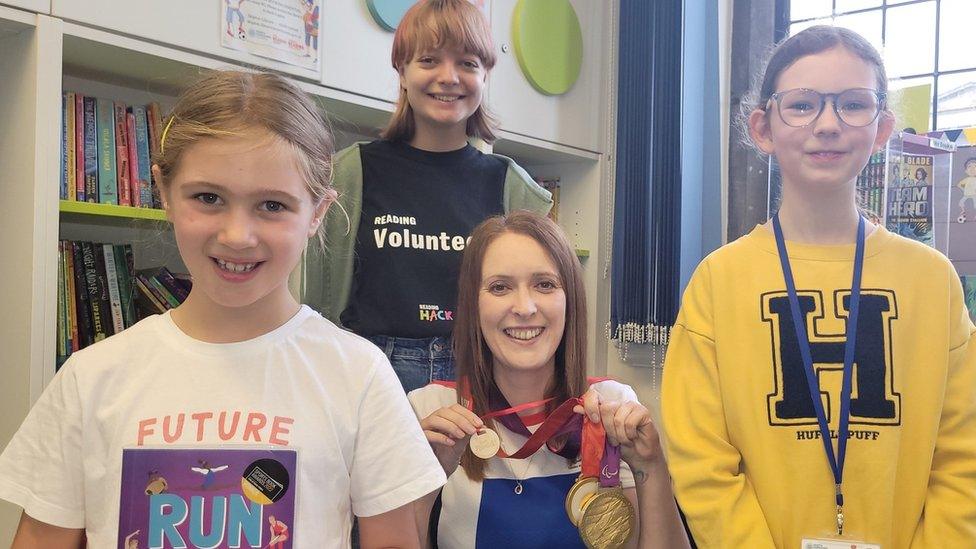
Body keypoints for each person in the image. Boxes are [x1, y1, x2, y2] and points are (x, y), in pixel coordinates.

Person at [0, 71, 445, 548]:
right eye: (208, 198)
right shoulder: (91, 379)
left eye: (272, 205)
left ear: (317, 213)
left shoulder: (360, 376)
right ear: (165, 193)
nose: (237, 235)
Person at [662, 26, 976, 548]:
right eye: (803, 105)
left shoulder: (932, 280)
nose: (827, 124)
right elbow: (701, 460)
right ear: (763, 128)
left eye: (853, 104)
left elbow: (964, 453)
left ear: (881, 129)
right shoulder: (719, 282)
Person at [304, 0, 552, 394]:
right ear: (402, 71)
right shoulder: (350, 173)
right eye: (429, 60)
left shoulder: (511, 186)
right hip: (370, 372)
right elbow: (313, 305)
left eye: (468, 63)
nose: (448, 77)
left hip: (480, 374)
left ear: (485, 74)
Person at [409, 211, 691, 548]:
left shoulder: (613, 405)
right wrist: (427, 480)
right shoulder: (431, 411)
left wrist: (652, 466)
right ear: (474, 304)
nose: (525, 307)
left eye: (545, 284)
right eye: (500, 287)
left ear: (569, 299)